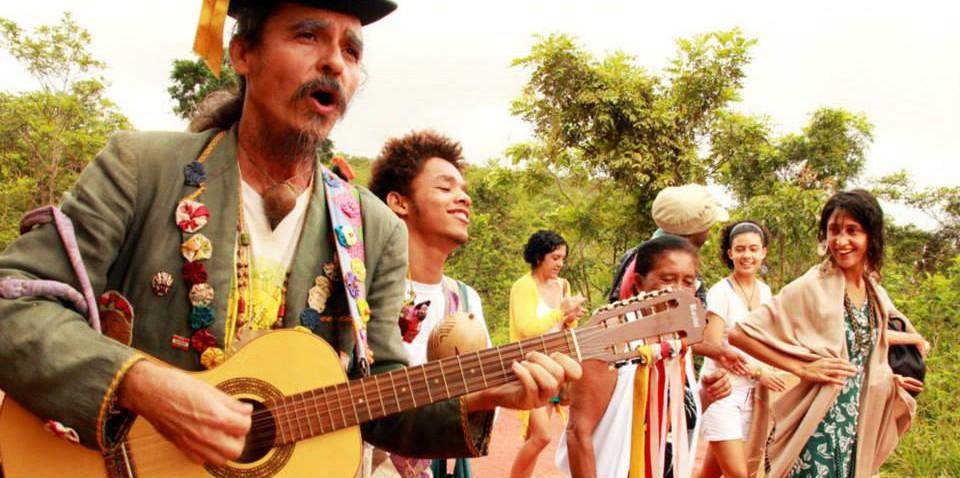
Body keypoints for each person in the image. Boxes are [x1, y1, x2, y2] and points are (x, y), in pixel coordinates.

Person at [0, 0, 580, 468]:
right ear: (243, 52)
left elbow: (377, 399)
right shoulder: (140, 168)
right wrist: (142, 384)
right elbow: (14, 304)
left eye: (351, 50)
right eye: (308, 36)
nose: (335, 63)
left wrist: (479, 397)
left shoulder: (372, 226)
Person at [730, 190, 921, 478]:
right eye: (834, 231)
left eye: (852, 231)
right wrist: (802, 368)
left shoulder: (873, 293)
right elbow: (741, 334)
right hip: (817, 428)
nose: (841, 241)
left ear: (871, 236)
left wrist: (889, 380)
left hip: (856, 427)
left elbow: (862, 352)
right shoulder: (812, 286)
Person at [365, 130, 493, 478]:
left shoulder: (465, 301)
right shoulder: (359, 290)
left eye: (464, 191)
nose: (464, 198)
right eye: (445, 187)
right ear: (399, 202)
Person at [561, 235, 732, 478]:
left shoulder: (677, 342)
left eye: (688, 281)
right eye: (667, 279)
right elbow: (579, 432)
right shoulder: (611, 340)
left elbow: (667, 422)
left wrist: (704, 397)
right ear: (639, 283)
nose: (678, 291)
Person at [696, 221, 787, 478]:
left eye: (753, 249)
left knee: (711, 472)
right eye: (740, 249)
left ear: (763, 252)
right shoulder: (720, 293)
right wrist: (759, 373)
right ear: (730, 253)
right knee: (740, 473)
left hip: (751, 396)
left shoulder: (766, 292)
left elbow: (767, 341)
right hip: (721, 390)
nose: (747, 255)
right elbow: (715, 348)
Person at [507, 230, 586, 478]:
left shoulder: (562, 285)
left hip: (555, 366)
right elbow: (527, 329)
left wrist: (571, 319)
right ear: (539, 257)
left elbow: (563, 327)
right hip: (530, 367)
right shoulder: (524, 286)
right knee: (542, 436)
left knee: (535, 438)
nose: (560, 263)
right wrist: (561, 312)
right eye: (555, 258)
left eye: (563, 258)